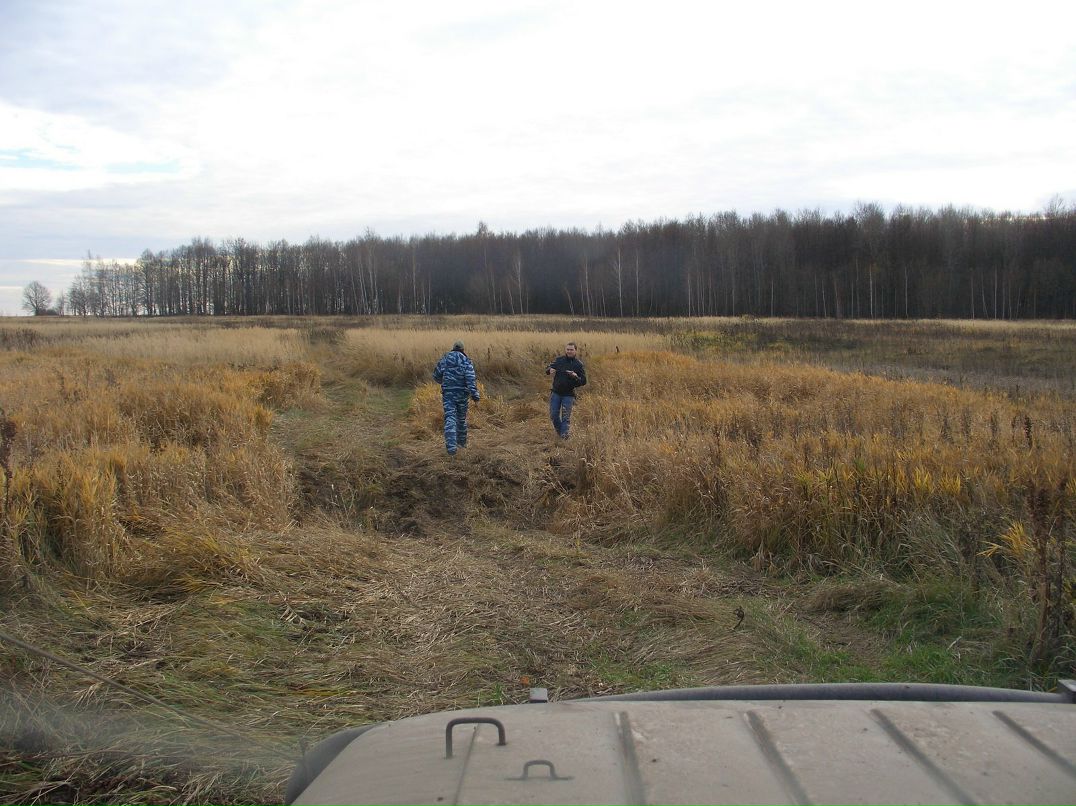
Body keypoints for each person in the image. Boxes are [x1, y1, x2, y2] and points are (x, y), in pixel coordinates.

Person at [432, 340, 480, 456]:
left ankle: (451, 449)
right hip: (462, 395)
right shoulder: (466, 361)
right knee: (461, 420)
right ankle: (462, 446)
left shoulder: (445, 359)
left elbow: (436, 375)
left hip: (448, 394)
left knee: (450, 418)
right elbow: (470, 379)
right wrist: (475, 395)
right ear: (463, 350)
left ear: (453, 348)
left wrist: (444, 382)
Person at [545, 341, 586, 440]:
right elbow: (548, 368)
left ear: (575, 351)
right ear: (565, 350)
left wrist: (576, 377)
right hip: (556, 393)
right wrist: (549, 370)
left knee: (566, 417)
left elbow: (583, 381)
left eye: (571, 350)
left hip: (568, 395)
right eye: (567, 349)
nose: (569, 351)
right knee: (553, 415)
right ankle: (561, 433)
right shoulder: (559, 360)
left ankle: (564, 438)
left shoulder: (578, 365)